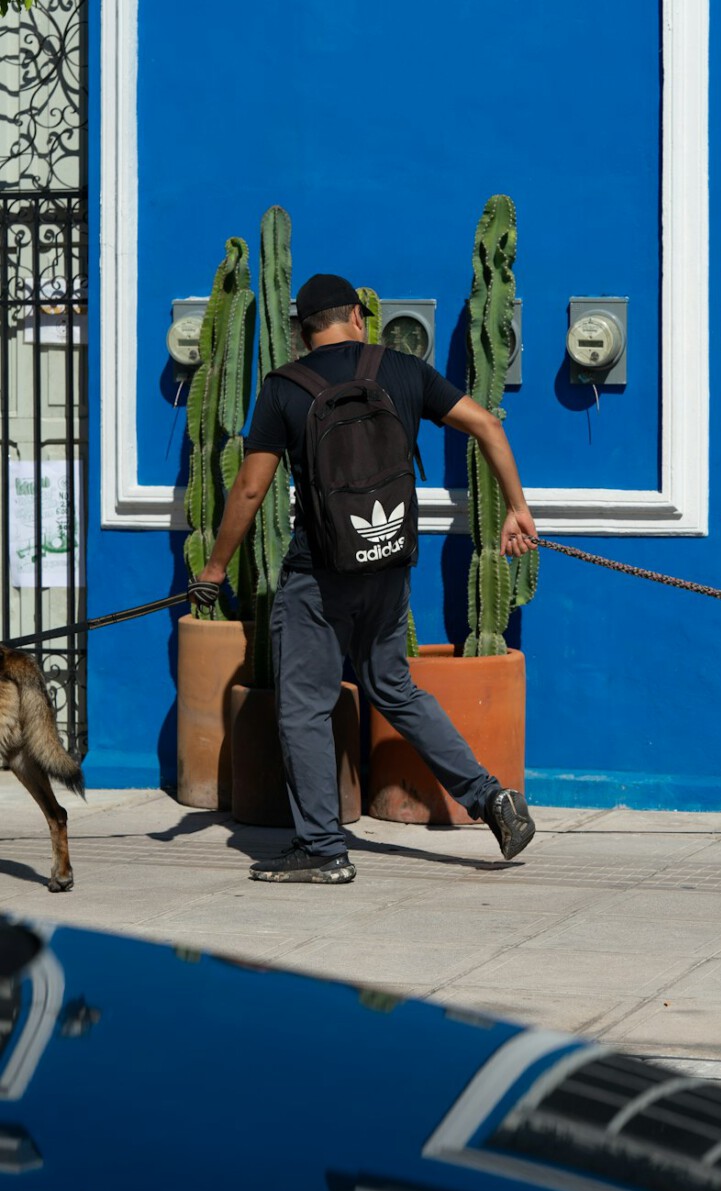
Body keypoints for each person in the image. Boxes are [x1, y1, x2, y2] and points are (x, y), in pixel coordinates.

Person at [187, 273, 539, 884]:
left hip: (318, 573)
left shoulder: (284, 387)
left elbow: (250, 487)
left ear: (302, 333)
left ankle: (322, 848)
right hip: (389, 560)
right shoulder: (401, 371)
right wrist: (516, 507)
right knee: (395, 688)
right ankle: (489, 798)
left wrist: (215, 569)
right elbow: (487, 424)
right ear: (357, 315)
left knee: (302, 708)